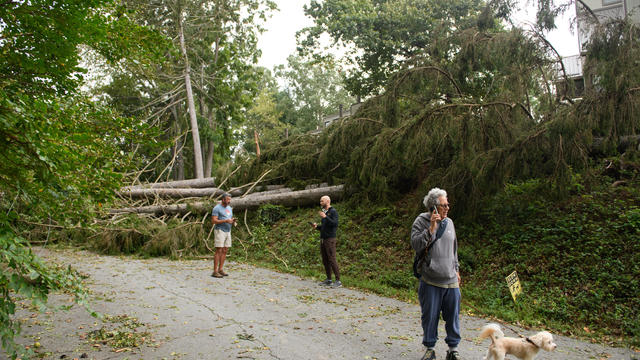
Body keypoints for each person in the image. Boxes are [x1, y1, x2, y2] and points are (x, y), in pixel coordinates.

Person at [411, 188, 462, 360]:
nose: (447, 208)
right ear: (433, 207)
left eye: (448, 204)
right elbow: (416, 245)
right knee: (430, 316)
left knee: (453, 316)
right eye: (443, 205)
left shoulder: (450, 223)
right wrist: (431, 229)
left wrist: (457, 269)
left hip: (451, 279)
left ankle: (453, 350)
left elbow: (454, 249)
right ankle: (430, 349)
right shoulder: (421, 221)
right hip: (431, 279)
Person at [310, 195, 341, 288]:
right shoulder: (325, 212)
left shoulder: (333, 212)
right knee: (325, 260)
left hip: (330, 239)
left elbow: (335, 224)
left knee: (332, 259)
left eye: (322, 201)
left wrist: (325, 217)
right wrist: (316, 227)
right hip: (323, 239)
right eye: (320, 201)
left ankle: (338, 281)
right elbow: (324, 227)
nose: (320, 203)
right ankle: (329, 280)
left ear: (327, 201)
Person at [211, 193, 236, 278]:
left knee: (225, 250)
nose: (229, 201)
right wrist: (225, 221)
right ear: (223, 199)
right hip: (220, 230)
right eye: (227, 199)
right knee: (219, 250)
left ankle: (220, 269)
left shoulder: (229, 208)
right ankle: (215, 271)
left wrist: (233, 221)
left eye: (230, 199)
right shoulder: (217, 208)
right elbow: (214, 221)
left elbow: (229, 218)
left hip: (228, 231)